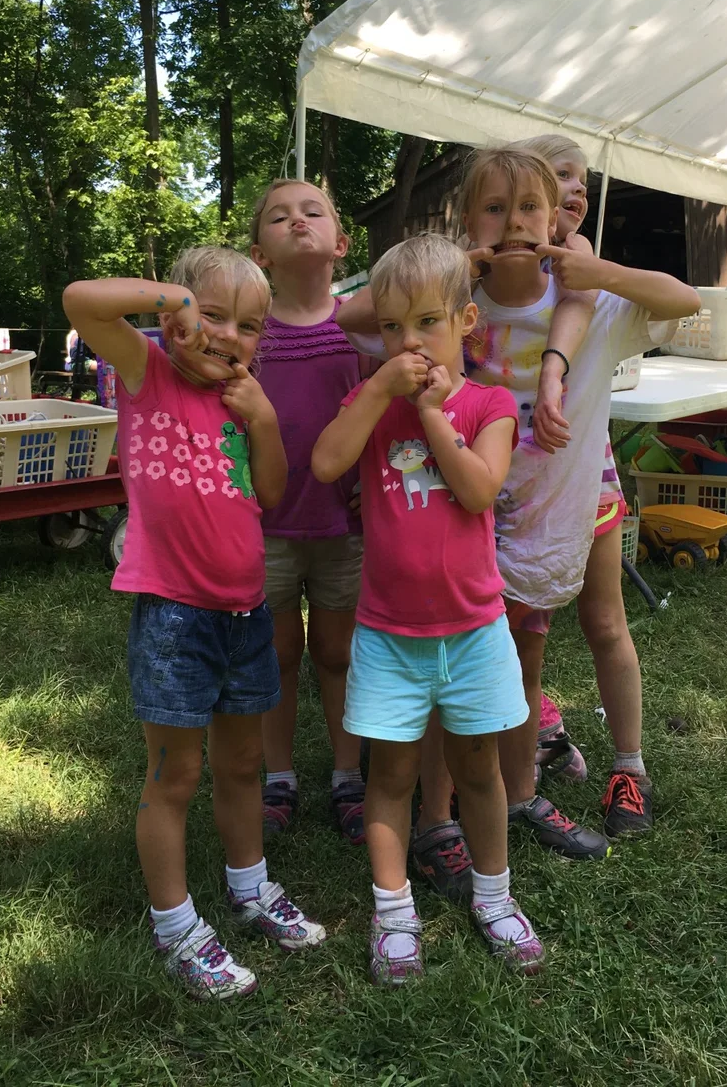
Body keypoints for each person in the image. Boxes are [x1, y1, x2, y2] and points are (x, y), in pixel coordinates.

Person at [63, 247, 326, 1002]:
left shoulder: (245, 399)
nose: (228, 336)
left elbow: (271, 492)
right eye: (211, 316)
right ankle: (175, 925)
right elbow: (82, 299)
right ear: (175, 319)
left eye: (248, 326)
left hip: (246, 611)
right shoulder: (145, 369)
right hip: (174, 614)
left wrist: (265, 418)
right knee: (175, 774)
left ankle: (250, 888)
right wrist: (168, 298)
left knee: (244, 764)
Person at [312, 234, 543, 983]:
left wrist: (437, 416)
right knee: (392, 778)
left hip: (474, 632)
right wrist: (380, 389)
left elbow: (480, 490)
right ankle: (392, 912)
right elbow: (324, 464)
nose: (408, 343)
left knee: (478, 771)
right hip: (388, 635)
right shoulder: (372, 401)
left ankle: (494, 897)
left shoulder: (489, 403)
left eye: (426, 324)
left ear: (466, 321)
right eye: (391, 328)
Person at [458, 141, 700, 848]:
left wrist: (600, 270)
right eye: (506, 204)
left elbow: (682, 300)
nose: (566, 198)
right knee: (504, 645)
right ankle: (517, 757)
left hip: (580, 491)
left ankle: (629, 767)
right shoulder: (462, 301)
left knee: (603, 624)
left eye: (574, 188)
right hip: (485, 502)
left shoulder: (590, 302)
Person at [249, 179, 367, 843]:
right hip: (263, 526)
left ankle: (348, 774)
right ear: (259, 254)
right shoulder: (248, 331)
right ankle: (279, 775)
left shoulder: (360, 325)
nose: (296, 221)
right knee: (277, 652)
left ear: (340, 244)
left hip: (342, 525)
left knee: (337, 649)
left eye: (313, 211)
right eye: (278, 217)